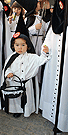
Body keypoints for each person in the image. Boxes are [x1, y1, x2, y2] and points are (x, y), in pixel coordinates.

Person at [0, 32, 51, 118]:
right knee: (17, 98)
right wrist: (8, 73)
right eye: (17, 45)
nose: (20, 48)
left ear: (28, 46)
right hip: (15, 83)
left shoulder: (32, 57)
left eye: (23, 45)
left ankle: (27, 110)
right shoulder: (11, 57)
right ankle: (17, 110)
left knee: (27, 98)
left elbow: (41, 60)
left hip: (27, 84)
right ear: (13, 46)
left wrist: (45, 53)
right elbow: (7, 68)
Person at [39, 0, 68, 132]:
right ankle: (51, 116)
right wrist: (46, 48)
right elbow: (48, 41)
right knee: (53, 87)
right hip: (53, 62)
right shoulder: (54, 24)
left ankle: (62, 122)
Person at [26, 0, 50, 85]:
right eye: (38, 3)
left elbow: (46, 28)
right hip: (33, 41)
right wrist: (34, 28)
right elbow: (26, 32)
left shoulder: (41, 17)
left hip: (41, 42)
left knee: (41, 60)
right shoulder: (29, 18)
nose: (40, 4)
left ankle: (39, 81)